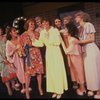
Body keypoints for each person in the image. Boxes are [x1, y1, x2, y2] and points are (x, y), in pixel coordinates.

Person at [32, 17, 68, 99]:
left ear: (49, 23)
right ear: (41, 24)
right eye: (43, 23)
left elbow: (58, 42)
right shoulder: (42, 32)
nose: (45, 24)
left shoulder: (54, 30)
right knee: (51, 71)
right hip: (48, 52)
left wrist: (48, 38)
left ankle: (59, 90)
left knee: (57, 70)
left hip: (56, 51)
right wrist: (34, 41)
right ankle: (54, 90)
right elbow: (41, 44)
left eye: (46, 22)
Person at [75, 11, 100, 99]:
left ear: (81, 17)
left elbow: (92, 39)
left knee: (95, 70)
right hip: (85, 50)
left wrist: (79, 42)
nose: (75, 18)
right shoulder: (79, 27)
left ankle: (98, 91)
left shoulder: (88, 24)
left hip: (91, 49)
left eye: (77, 17)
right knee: (88, 71)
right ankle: (92, 89)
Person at [21, 18, 44, 99]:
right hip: (29, 54)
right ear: (27, 25)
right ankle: (27, 91)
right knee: (28, 74)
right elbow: (21, 47)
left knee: (39, 72)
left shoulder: (37, 33)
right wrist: (24, 54)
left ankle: (40, 88)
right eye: (31, 24)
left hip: (37, 53)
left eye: (34, 24)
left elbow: (41, 43)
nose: (33, 25)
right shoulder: (23, 35)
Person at [61, 22, 86, 96]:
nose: (64, 31)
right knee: (77, 72)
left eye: (66, 29)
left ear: (70, 31)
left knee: (79, 72)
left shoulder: (72, 39)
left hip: (76, 58)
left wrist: (61, 42)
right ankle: (82, 88)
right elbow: (62, 31)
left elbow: (66, 51)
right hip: (74, 57)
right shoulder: (70, 37)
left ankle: (82, 89)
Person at [6, 27, 25, 93]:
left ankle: (26, 86)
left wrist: (22, 48)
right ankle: (23, 86)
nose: (16, 32)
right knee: (20, 72)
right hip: (16, 59)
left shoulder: (19, 38)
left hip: (23, 57)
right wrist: (14, 50)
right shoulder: (8, 42)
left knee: (25, 70)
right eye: (14, 31)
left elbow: (24, 45)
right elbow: (8, 54)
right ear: (10, 33)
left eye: (15, 30)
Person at [0, 27, 17, 96]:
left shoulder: (5, 37)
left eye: (0, 30)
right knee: (5, 75)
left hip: (9, 57)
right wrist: (3, 60)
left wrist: (10, 56)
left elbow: (10, 44)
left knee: (12, 72)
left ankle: (13, 85)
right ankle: (8, 88)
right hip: (2, 60)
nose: (0, 31)